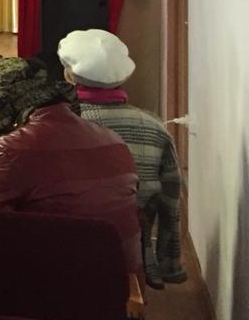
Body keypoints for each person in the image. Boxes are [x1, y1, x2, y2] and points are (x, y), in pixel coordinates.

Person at [0, 56, 142, 277]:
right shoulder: (114, 140)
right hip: (119, 277)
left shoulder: (11, 149)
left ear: (7, 112)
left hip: (55, 280)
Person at [59, 29, 185, 288]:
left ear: (69, 76)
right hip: (132, 255)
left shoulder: (54, 126)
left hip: (63, 249)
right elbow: (170, 201)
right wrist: (168, 264)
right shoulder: (155, 128)